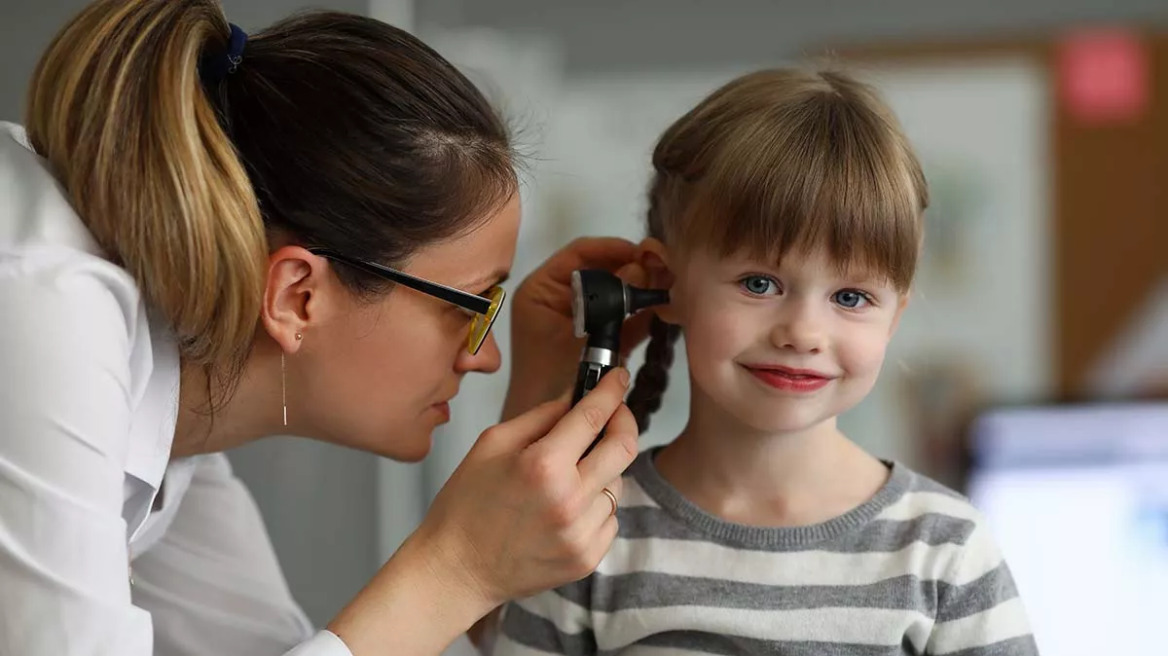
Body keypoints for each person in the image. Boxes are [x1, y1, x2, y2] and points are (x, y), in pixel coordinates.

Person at [0, 1, 652, 654]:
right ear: (297, 296)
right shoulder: (48, 311)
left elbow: (267, 648)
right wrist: (459, 566)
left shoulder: (176, 420)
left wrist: (535, 408)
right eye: (471, 307)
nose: (486, 360)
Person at [490, 68, 1040, 656]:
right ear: (664, 282)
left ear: (894, 316)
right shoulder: (585, 534)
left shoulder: (945, 550)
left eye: (850, 297)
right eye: (759, 283)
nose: (803, 333)